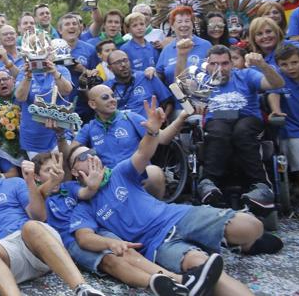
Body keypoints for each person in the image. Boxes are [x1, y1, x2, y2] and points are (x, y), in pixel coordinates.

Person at [68, 97, 283, 296]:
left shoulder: (119, 172)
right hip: (155, 244)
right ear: (76, 172)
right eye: (85, 156)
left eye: (94, 152)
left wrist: (152, 132)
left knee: (252, 226)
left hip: (177, 216)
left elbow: (143, 153)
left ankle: (241, 243)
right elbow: (84, 238)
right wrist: (111, 243)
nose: (93, 156)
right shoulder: (83, 206)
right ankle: (226, 247)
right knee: (201, 264)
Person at [36, 152, 204, 296]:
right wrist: (51, 182)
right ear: (37, 177)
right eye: (47, 170)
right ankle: (157, 284)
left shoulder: (70, 186)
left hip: (96, 230)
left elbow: (85, 193)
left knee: (125, 250)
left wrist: (92, 186)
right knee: (110, 261)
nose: (54, 172)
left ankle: (179, 280)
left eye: (55, 168)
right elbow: (37, 204)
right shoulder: (38, 196)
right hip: (71, 241)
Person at [0, 143, 105, 296]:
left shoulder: (15, 183)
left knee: (31, 226)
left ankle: (82, 289)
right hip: (8, 255)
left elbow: (39, 216)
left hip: (36, 245)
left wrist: (30, 181)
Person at [181, 45, 285, 209]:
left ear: (232, 64)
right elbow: (178, 88)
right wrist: (193, 103)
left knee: (242, 130)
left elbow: (278, 83)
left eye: (224, 64)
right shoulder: (202, 82)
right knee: (218, 130)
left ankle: (261, 186)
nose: (220, 69)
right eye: (215, 64)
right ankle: (208, 183)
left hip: (247, 118)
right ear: (207, 64)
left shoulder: (246, 75)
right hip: (218, 121)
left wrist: (263, 66)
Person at [73, 86, 186, 200]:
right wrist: (61, 135)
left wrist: (181, 117)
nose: (112, 99)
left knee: (154, 174)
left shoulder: (130, 117)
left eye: (113, 96)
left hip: (138, 175)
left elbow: (163, 138)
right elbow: (70, 153)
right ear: (93, 104)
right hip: (111, 182)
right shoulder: (89, 128)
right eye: (105, 97)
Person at [267, 45, 299, 206]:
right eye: (284, 64)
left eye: (294, 62)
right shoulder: (279, 79)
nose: (290, 68)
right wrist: (276, 111)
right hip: (293, 130)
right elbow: (273, 94)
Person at [14, 53, 73, 158]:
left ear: (51, 54)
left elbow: (67, 91)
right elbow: (20, 98)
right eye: (35, 55)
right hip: (33, 137)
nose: (40, 59)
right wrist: (28, 77)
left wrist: (54, 72)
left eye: (43, 54)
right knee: (40, 172)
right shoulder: (24, 73)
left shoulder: (61, 70)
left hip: (59, 132)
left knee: (63, 167)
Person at [104, 50, 173, 117]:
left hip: (150, 125)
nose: (123, 64)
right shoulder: (107, 87)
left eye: (125, 60)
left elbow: (168, 102)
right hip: (123, 127)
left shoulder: (147, 76)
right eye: (118, 62)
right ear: (110, 68)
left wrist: (162, 120)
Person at [156, 6, 212, 85]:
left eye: (187, 21)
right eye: (179, 22)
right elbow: (159, 74)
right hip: (174, 96)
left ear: (192, 25)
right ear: (172, 27)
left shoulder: (206, 45)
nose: (184, 24)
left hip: (203, 95)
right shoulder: (167, 50)